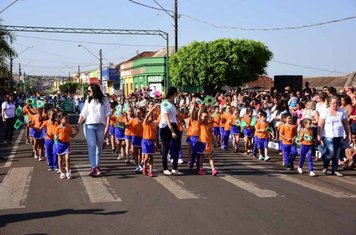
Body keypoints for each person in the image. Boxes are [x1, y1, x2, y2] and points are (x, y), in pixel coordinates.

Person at [78, 84, 111, 176]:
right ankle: (93, 166)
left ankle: (97, 165)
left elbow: (108, 114)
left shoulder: (104, 100)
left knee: (99, 146)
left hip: (101, 125)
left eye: (89, 91)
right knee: (92, 145)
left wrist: (107, 127)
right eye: (88, 91)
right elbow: (83, 113)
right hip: (89, 126)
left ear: (95, 90)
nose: (88, 93)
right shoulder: (88, 101)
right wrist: (78, 124)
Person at [317, 96, 351, 177]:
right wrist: (318, 134)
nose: (335, 105)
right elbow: (320, 124)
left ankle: (334, 170)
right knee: (331, 152)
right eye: (333, 103)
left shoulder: (341, 112)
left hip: (339, 135)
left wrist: (348, 134)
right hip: (328, 135)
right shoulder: (325, 111)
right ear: (329, 103)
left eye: (337, 103)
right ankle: (325, 164)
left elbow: (346, 124)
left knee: (336, 154)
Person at [159, 87, 182, 175]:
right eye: (176, 93)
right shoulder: (165, 103)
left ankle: (174, 168)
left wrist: (181, 121)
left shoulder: (172, 103)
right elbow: (166, 117)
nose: (177, 94)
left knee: (176, 147)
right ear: (173, 93)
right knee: (166, 148)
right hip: (165, 127)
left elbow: (175, 115)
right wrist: (172, 130)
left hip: (174, 124)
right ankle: (165, 168)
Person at [55, 112, 79, 179]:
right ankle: (62, 172)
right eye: (65, 118)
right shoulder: (57, 128)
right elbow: (55, 138)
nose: (67, 120)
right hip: (59, 145)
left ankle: (68, 172)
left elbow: (72, 135)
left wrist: (77, 131)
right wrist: (56, 144)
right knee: (60, 159)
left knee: (67, 158)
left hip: (67, 144)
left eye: (67, 118)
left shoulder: (68, 126)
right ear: (61, 119)